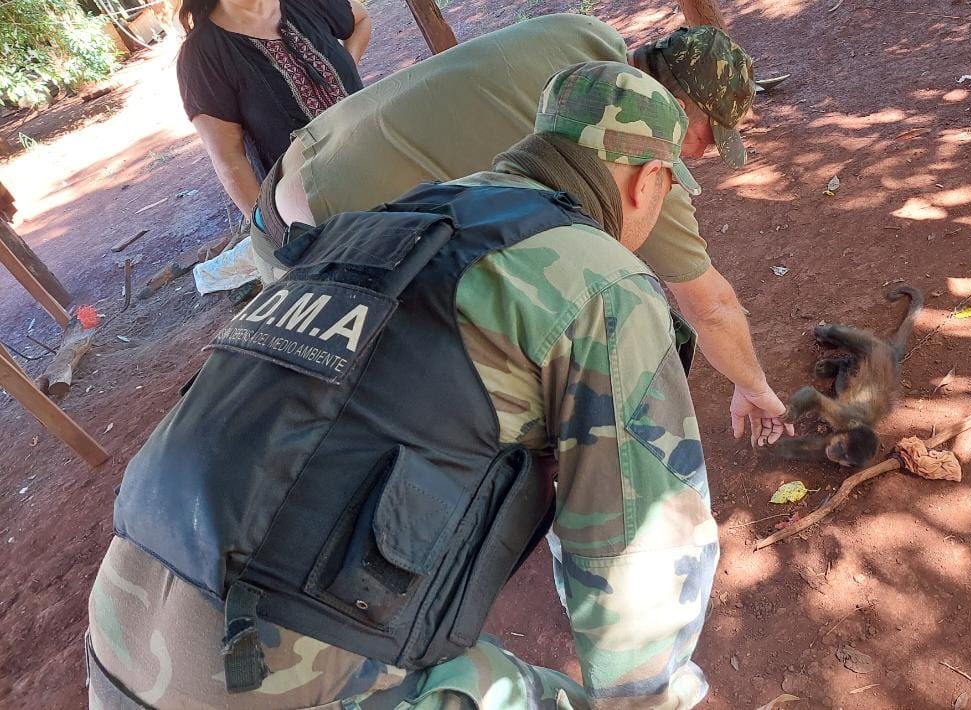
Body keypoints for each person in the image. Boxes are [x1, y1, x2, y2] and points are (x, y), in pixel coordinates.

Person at [88, 61, 717, 709]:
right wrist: (650, 695)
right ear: (648, 182)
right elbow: (642, 548)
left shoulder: (383, 225)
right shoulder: (600, 280)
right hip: (264, 679)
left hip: (118, 635)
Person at [252, 14, 794, 447]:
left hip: (299, 165)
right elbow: (710, 305)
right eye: (706, 137)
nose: (701, 155)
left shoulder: (585, 36)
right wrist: (755, 388)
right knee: (388, 420)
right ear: (677, 109)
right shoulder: (636, 148)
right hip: (321, 244)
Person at [177, 0, 372, 218]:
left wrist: (340, 69)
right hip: (318, 208)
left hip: (379, 155)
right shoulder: (202, 56)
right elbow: (229, 160)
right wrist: (271, 230)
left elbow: (361, 18)